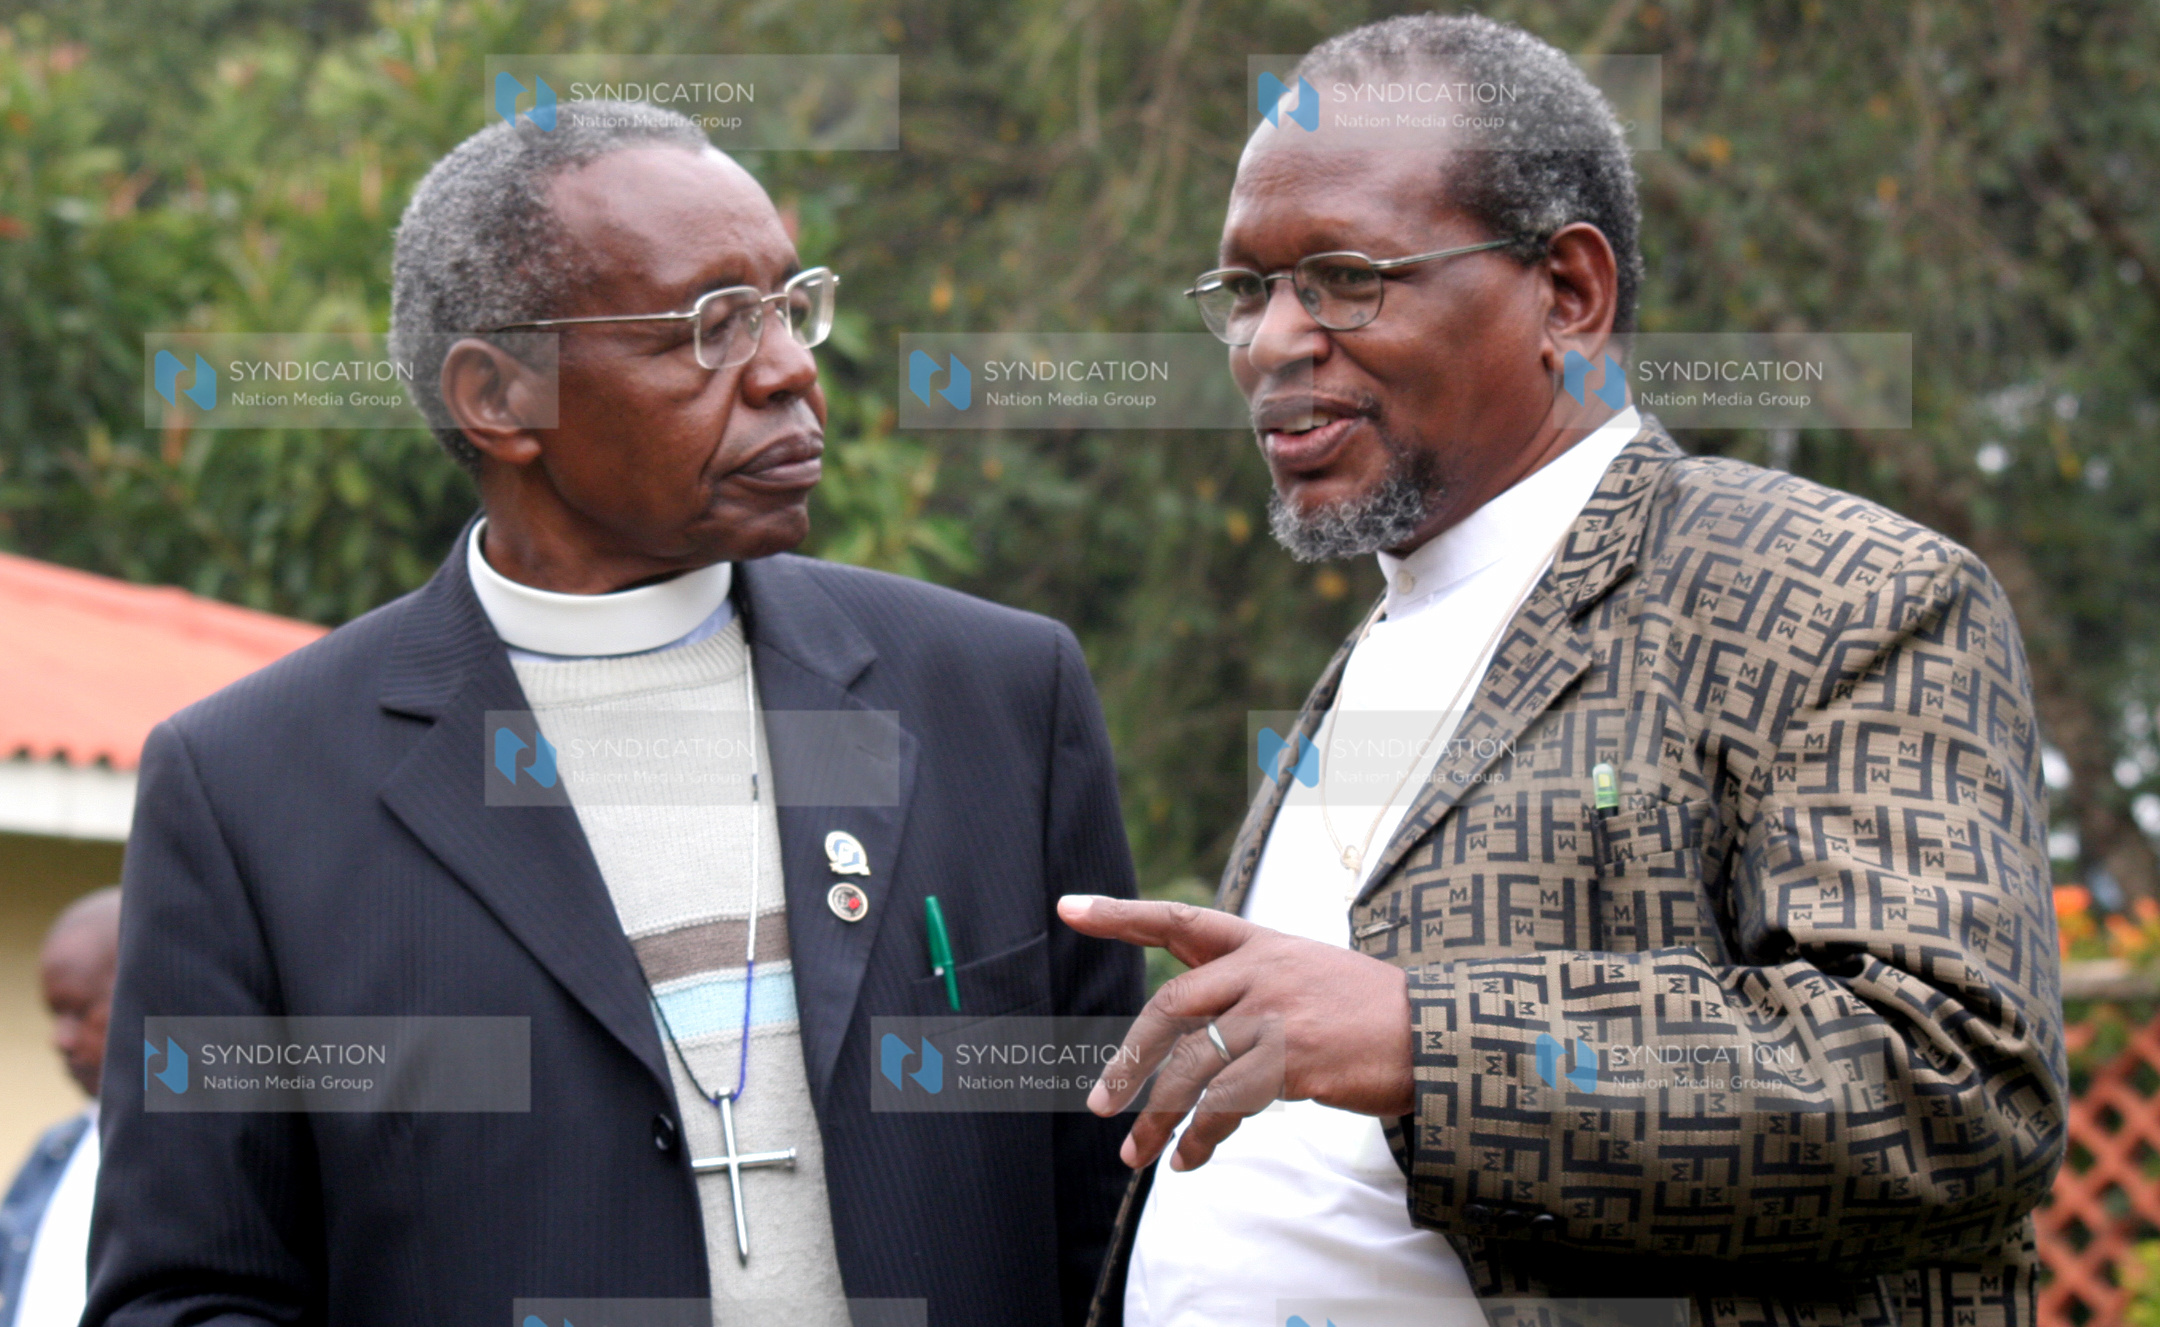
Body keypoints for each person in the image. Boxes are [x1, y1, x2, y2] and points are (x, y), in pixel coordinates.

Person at [1063, 15, 2063, 1327]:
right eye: (1245, 290)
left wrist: (1431, 1038)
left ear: (1569, 294)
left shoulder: (1839, 589)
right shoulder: (1383, 639)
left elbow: (1957, 1086)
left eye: (1345, 277)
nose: (1269, 342)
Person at [87, 102, 1141, 1327]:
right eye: (710, 326)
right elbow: (190, 1295)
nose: (791, 366)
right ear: (499, 397)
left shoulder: (997, 695)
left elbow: (1112, 1229)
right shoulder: (249, 789)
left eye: (791, 304)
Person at [1, 887, 120, 1327]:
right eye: (55, 1016)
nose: (60, 1040)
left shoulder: (212, 1160)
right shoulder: (55, 1152)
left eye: (78, 1011)